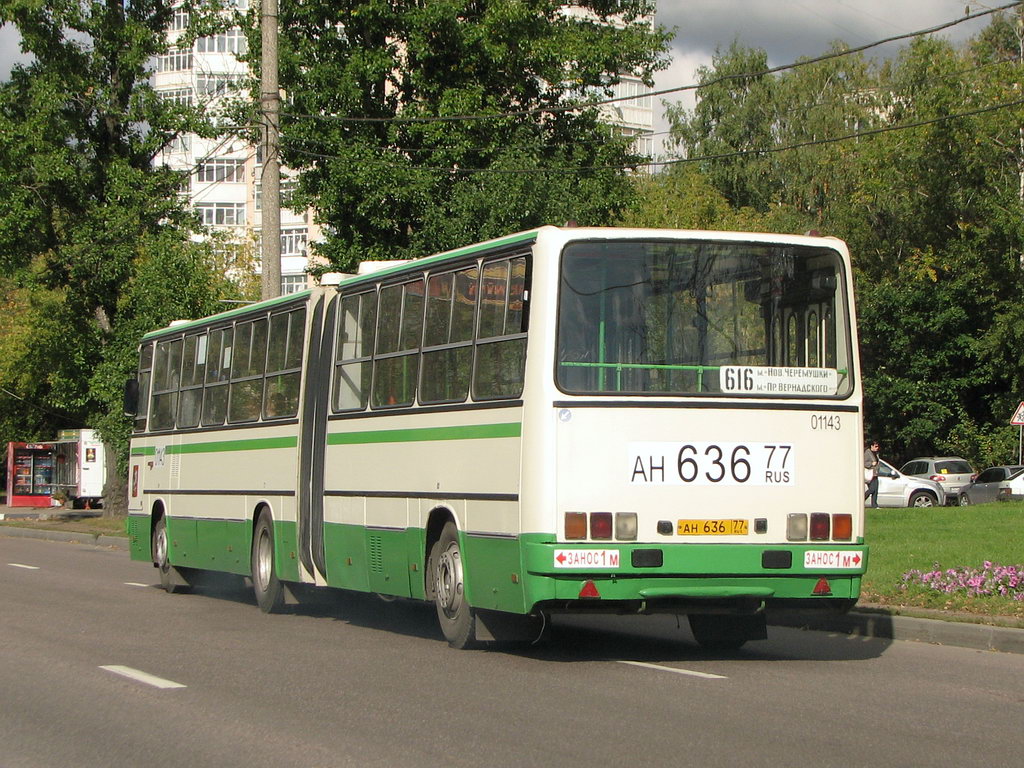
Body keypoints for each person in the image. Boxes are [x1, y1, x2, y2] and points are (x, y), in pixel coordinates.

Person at [864, 439, 880, 508]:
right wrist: (871, 464)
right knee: (872, 489)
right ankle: (862, 499)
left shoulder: (876, 454)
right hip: (870, 474)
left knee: (875, 491)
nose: (877, 448)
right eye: (875, 446)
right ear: (872, 446)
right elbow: (863, 463)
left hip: (875, 474)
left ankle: (874, 505)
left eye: (877, 446)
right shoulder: (867, 453)